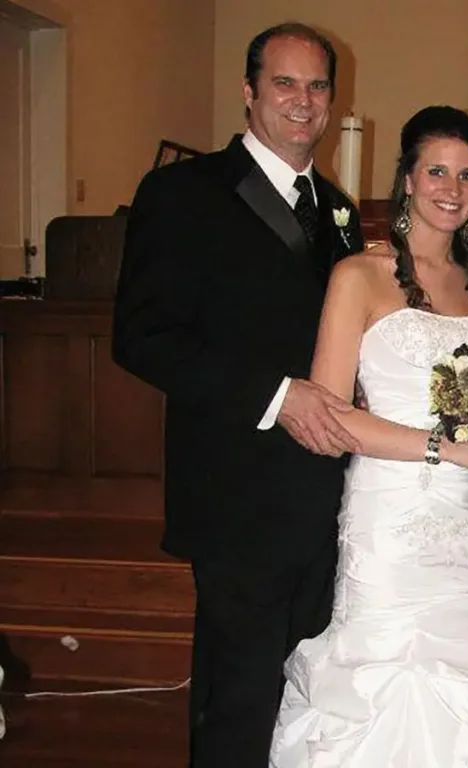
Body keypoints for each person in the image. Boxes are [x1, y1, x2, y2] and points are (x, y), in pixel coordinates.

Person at [269, 105, 468, 767]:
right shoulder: (360, 276)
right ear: (406, 178)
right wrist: (446, 448)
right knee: (390, 677)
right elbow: (330, 415)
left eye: (466, 175)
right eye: (436, 170)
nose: (451, 189)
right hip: (394, 517)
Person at [112, 23, 364, 767]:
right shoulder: (180, 193)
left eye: (317, 86)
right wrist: (275, 395)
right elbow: (143, 336)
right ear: (249, 91)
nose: (303, 101)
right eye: (284, 83)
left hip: (325, 494)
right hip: (236, 494)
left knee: (304, 695)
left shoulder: (339, 208)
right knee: (239, 700)